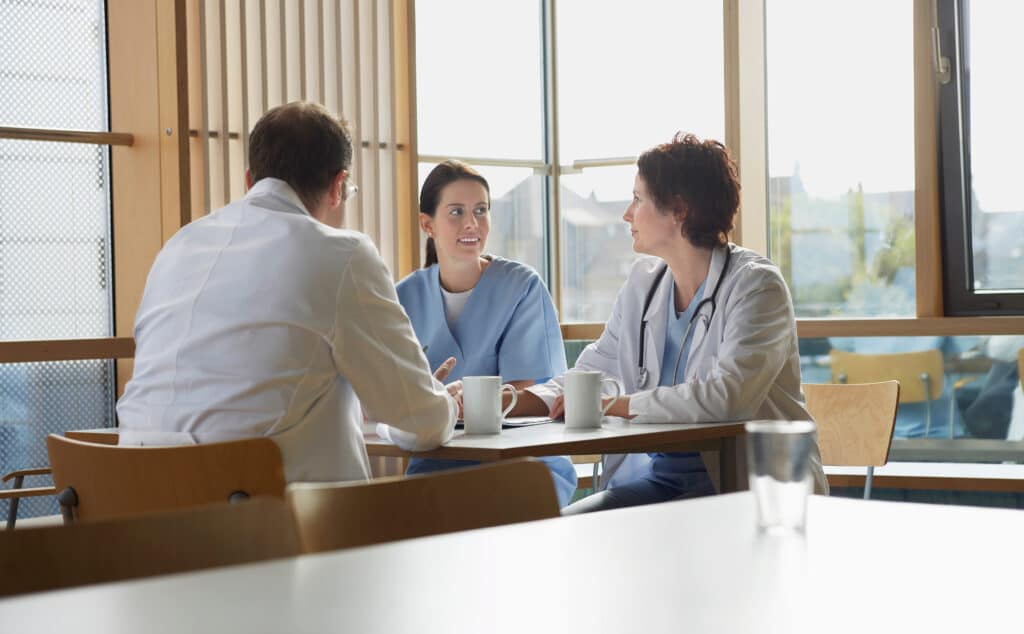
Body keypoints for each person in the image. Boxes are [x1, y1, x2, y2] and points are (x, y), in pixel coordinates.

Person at [117, 102, 457, 482]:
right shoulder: (341, 254)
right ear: (338, 186)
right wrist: (444, 404)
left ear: (249, 179)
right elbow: (420, 420)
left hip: (137, 507)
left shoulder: (179, 246)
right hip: (264, 521)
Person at [511, 133, 828, 513]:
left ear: (678, 209)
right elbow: (591, 372)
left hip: (743, 489)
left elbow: (728, 397)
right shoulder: (642, 284)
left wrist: (618, 405)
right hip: (658, 482)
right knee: (561, 528)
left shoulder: (756, 285)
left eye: (638, 199)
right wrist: (508, 404)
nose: (627, 214)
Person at [396, 161, 576, 505]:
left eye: (481, 210)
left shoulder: (522, 287)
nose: (471, 223)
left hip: (521, 464)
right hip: (437, 465)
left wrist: (457, 402)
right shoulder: (404, 297)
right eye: (456, 212)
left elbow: (532, 392)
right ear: (427, 223)